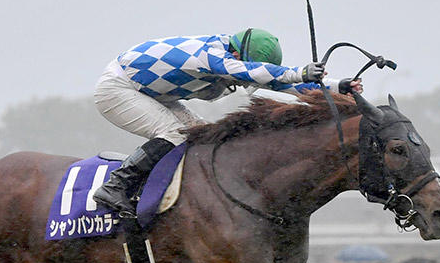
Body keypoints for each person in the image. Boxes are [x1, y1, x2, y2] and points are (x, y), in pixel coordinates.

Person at [92, 28, 363, 217]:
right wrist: (298, 71)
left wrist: (337, 85)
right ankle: (116, 186)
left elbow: (278, 83)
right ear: (237, 55)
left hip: (152, 92)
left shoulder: (234, 55)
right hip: (119, 88)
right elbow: (248, 72)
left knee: (198, 134)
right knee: (174, 132)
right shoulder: (208, 55)